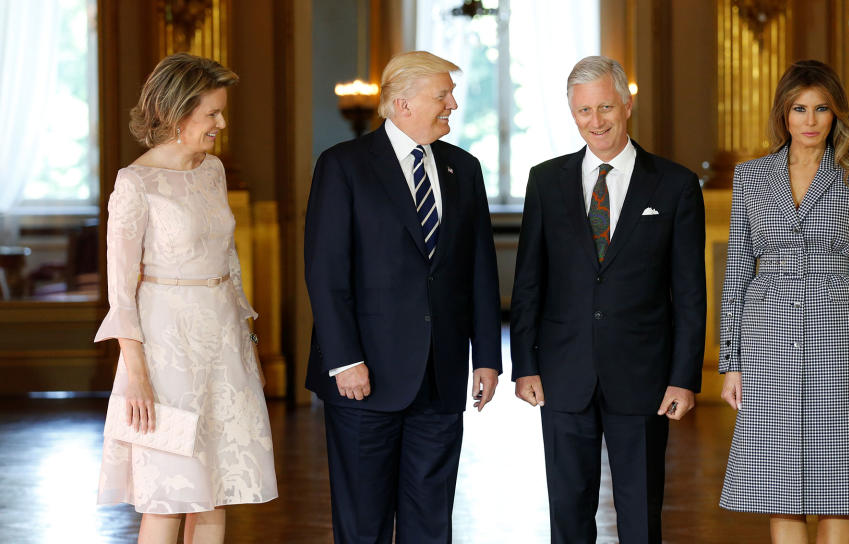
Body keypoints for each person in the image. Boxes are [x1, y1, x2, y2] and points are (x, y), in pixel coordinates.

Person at [303, 50, 502, 543]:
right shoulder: (343, 166)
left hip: (441, 377)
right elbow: (326, 273)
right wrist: (345, 360)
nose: (453, 104)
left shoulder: (465, 168)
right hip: (363, 379)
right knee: (363, 523)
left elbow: (479, 270)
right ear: (401, 103)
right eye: (443, 94)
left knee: (431, 523)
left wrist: (488, 358)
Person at [510, 55, 706, 544]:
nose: (595, 122)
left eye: (605, 108)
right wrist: (525, 365)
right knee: (568, 517)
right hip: (561, 374)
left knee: (641, 517)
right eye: (583, 111)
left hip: (643, 377)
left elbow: (688, 291)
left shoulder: (675, 184)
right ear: (571, 112)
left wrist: (684, 378)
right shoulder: (546, 181)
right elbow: (529, 283)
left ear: (627, 104)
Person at [95, 53, 277, 543]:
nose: (222, 122)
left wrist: (246, 340)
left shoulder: (212, 170)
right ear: (177, 114)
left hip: (222, 341)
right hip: (165, 351)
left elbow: (229, 263)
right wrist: (137, 376)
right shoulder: (135, 183)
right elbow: (120, 292)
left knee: (216, 488)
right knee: (170, 493)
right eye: (212, 113)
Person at [718, 60, 849, 543]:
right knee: (777, 480)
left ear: (836, 116)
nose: (810, 120)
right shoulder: (751, 177)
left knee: (841, 479)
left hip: (839, 334)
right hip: (767, 336)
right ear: (784, 114)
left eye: (821, 109)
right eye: (800, 109)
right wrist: (731, 363)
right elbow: (736, 275)